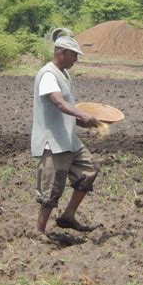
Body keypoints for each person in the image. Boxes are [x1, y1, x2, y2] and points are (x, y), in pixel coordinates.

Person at [31, 30, 101, 234]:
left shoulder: (64, 74)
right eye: (74, 55)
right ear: (62, 52)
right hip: (53, 141)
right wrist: (83, 114)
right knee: (52, 187)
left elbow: (64, 108)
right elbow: (59, 103)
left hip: (69, 139)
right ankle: (39, 230)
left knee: (88, 171)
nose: (76, 60)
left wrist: (81, 122)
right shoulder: (47, 75)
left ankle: (68, 215)